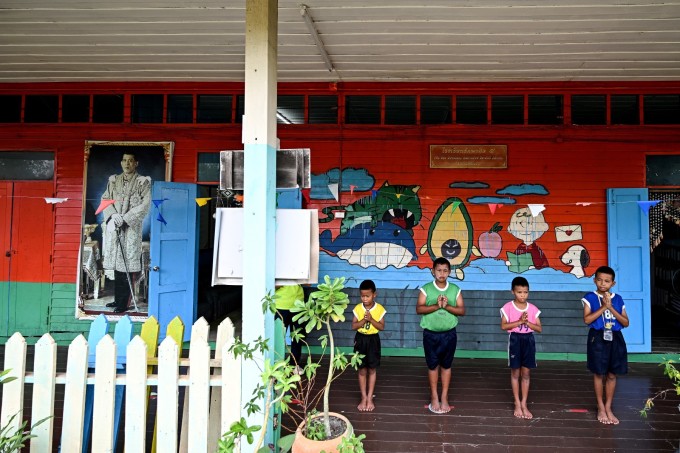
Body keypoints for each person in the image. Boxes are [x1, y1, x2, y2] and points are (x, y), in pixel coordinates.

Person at [101, 152, 151, 313]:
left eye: (130, 161)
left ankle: (125, 302)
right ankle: (118, 300)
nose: (127, 164)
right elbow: (105, 199)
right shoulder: (114, 180)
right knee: (117, 265)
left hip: (131, 228)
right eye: (124, 160)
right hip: (115, 226)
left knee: (127, 265)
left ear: (136, 163)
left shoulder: (142, 182)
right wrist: (114, 215)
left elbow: (145, 204)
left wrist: (126, 218)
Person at [416, 257, 465, 414]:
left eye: (445, 270)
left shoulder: (455, 289)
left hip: (449, 335)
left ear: (449, 272)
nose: (442, 273)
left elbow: (461, 311)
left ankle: (444, 397)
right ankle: (434, 396)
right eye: (438, 270)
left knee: (446, 366)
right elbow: (419, 309)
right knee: (432, 366)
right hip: (430, 334)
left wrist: (447, 306)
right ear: (433, 271)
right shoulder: (426, 289)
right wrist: (437, 306)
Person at [582, 265, 629, 425]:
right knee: (598, 373)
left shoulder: (618, 299)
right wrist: (603, 307)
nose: (603, 284)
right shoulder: (590, 297)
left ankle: (608, 407)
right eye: (600, 280)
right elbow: (587, 320)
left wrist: (610, 307)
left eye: (607, 281)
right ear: (595, 280)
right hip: (597, 337)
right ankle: (600, 407)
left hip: (615, 337)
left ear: (612, 283)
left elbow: (625, 322)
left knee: (612, 374)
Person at [500, 276, 542, 419]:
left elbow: (539, 328)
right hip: (515, 340)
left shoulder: (533, 308)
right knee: (515, 373)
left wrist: (528, 323)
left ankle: (524, 403)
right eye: (519, 292)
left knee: (526, 373)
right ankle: (517, 403)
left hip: (528, 340)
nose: (523, 295)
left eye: (525, 292)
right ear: (513, 292)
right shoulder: (508, 307)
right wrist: (519, 322)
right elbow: (504, 326)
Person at [350, 279, 386, 412]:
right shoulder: (358, 308)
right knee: (362, 369)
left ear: (374, 295)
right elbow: (354, 326)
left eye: (367, 296)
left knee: (372, 369)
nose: (364, 299)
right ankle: (363, 397)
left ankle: (370, 397)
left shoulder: (380, 309)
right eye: (362, 296)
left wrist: (371, 319)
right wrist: (362, 321)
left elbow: (381, 327)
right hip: (360, 339)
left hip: (373, 340)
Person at [274, 284, 305, 372]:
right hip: (280, 304)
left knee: (297, 336)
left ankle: (294, 365)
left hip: (299, 304)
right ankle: (277, 365)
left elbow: (308, 282)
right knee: (278, 337)